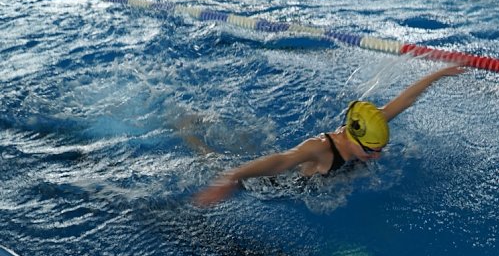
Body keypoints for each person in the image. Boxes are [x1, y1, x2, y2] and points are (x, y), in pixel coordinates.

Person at [193, 64, 466, 206]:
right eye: (372, 150)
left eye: (380, 148)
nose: (378, 154)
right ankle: (187, 131)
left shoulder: (368, 127)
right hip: (267, 187)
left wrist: (439, 74)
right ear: (354, 139)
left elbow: (405, 100)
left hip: (294, 178)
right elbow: (279, 161)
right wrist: (232, 177)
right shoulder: (321, 148)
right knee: (212, 158)